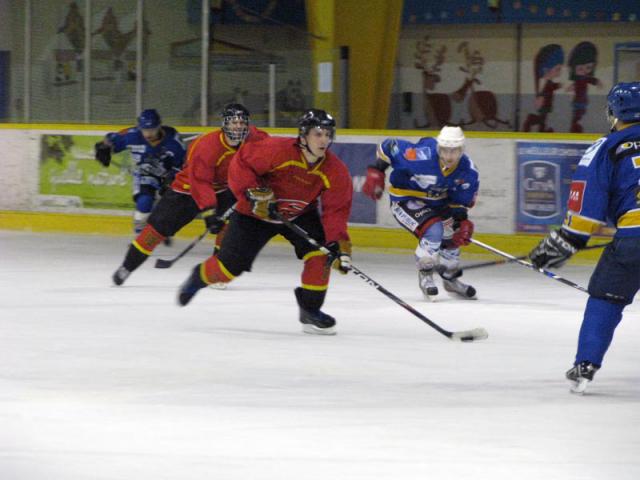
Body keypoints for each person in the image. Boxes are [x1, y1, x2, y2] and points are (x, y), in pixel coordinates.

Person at [176, 109, 353, 336]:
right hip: (253, 215)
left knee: (322, 254)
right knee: (227, 270)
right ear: (303, 134)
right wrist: (253, 192)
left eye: (328, 134)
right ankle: (198, 277)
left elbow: (336, 209)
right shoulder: (275, 150)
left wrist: (338, 243)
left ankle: (310, 310)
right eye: (318, 133)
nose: (324, 140)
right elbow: (240, 164)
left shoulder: (334, 170)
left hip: (298, 214)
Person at [529, 81, 640, 394]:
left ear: (614, 112)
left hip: (633, 240)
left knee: (605, 299)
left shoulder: (607, 146)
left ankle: (586, 366)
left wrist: (566, 241)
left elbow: (586, 203)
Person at [111, 104, 268, 286]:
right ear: (224, 124)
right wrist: (209, 213)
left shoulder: (256, 140)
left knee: (231, 225)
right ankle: (127, 266)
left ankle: (217, 270)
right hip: (186, 190)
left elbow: (270, 156)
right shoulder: (207, 146)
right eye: (234, 122)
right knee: (155, 232)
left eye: (242, 123)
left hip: (224, 189)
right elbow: (200, 182)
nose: (238, 127)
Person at [362, 125, 479, 301]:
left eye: (453, 151)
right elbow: (389, 146)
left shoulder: (468, 171)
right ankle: (426, 274)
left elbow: (458, 201)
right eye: (444, 150)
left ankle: (450, 279)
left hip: (438, 202)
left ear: (462, 150)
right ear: (439, 147)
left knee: (453, 234)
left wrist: (461, 221)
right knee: (434, 231)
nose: (448, 156)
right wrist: (377, 170)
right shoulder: (420, 154)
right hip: (406, 199)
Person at [95, 109, 186, 237]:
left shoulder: (173, 140)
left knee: (168, 209)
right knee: (144, 201)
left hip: (168, 175)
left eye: (152, 130)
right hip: (144, 173)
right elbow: (111, 139)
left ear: (159, 126)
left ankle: (157, 225)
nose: (148, 134)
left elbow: (183, 162)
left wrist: (172, 178)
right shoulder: (133, 135)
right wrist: (103, 148)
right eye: (145, 130)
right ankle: (140, 238)